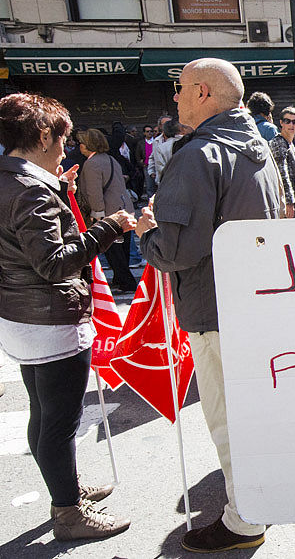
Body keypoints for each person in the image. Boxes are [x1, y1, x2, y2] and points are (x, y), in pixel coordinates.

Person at [135, 58, 281, 552]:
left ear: (201, 92)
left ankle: (244, 520)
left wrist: (147, 233)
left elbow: (175, 250)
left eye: (178, 89)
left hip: (216, 309)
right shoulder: (261, 147)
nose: (173, 98)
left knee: (228, 420)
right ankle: (259, 504)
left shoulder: (199, 155)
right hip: (253, 305)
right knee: (252, 417)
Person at [0, 92, 134, 541]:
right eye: (62, 137)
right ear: (42, 134)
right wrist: (111, 226)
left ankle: (66, 490)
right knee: (59, 422)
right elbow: (55, 261)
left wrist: (62, 192)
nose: (66, 147)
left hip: (22, 316)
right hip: (50, 319)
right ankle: (68, 511)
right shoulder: (31, 190)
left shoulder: (12, 180)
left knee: (44, 414)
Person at [78, 128, 138, 293]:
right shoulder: (111, 159)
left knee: (113, 250)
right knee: (123, 247)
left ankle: (127, 282)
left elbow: (94, 192)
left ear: (89, 145)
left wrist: (97, 215)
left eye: (82, 143)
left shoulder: (91, 164)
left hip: (108, 212)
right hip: (124, 207)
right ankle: (122, 279)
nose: (80, 147)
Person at [270, 106, 295, 218]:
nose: (291, 125)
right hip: (285, 204)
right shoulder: (278, 142)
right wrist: (288, 202)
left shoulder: (291, 143)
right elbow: (282, 172)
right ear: (281, 123)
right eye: (287, 121)